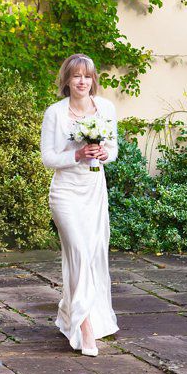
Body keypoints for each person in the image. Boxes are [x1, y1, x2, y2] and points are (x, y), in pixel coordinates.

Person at [39, 54, 119, 355]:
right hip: (66, 194)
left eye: (87, 76)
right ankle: (85, 329)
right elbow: (48, 158)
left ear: (93, 80)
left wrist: (101, 154)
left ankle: (70, 313)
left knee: (92, 254)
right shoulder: (55, 113)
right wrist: (77, 154)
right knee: (79, 253)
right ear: (67, 80)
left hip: (94, 191)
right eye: (76, 76)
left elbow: (113, 150)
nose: (82, 81)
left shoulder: (106, 108)